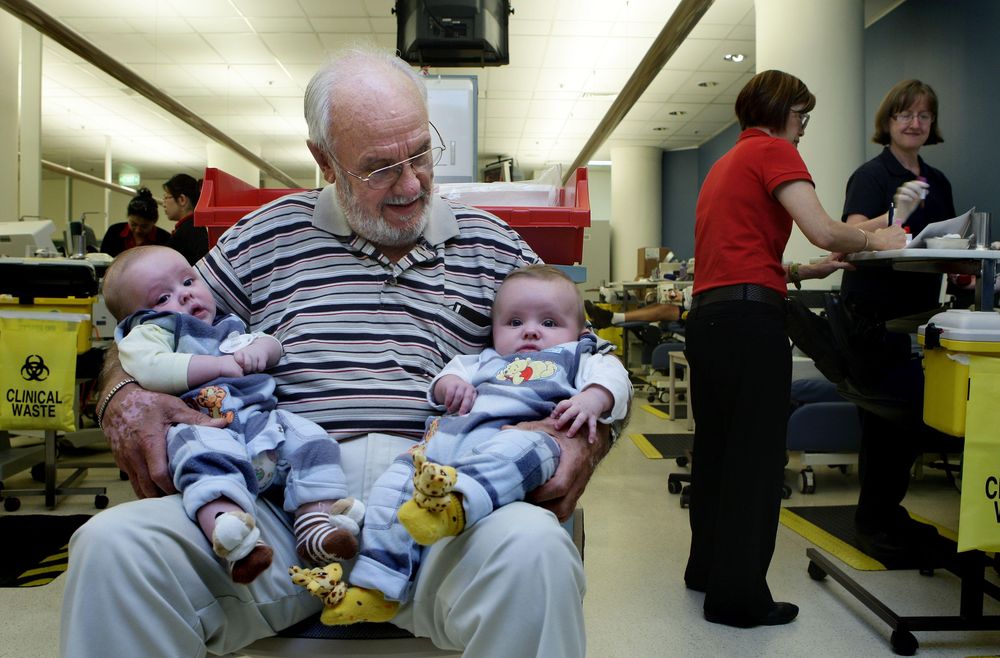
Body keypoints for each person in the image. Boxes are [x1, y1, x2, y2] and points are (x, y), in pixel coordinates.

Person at [62, 46, 603, 658]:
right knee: (113, 548)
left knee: (535, 550)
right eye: (379, 168)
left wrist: (587, 437)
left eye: (420, 153)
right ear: (324, 160)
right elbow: (150, 329)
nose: (411, 183)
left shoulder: (493, 246)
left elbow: (590, 357)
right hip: (281, 503)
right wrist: (122, 394)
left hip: (441, 505)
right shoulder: (264, 236)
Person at [683, 69, 906, 629]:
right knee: (757, 459)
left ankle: (706, 570)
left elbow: (744, 255)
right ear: (780, 111)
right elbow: (824, 229)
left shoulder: (725, 164)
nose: (804, 126)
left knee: (717, 451)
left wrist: (806, 271)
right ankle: (738, 599)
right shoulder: (774, 150)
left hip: (710, 319)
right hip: (748, 324)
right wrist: (874, 238)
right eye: (801, 114)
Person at [309, 264, 631, 624]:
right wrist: (451, 387)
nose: (530, 331)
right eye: (514, 322)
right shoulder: (481, 361)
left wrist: (592, 399)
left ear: (582, 333)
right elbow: (445, 379)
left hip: (524, 437)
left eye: (549, 323)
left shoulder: (579, 356)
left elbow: (615, 379)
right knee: (392, 489)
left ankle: (455, 507)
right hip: (444, 447)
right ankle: (376, 589)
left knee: (514, 453)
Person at [101, 245, 365, 583]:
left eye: (187, 281)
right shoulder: (153, 331)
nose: (184, 295)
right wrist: (217, 365)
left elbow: (270, 342)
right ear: (135, 317)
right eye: (162, 298)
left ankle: (316, 523)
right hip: (206, 425)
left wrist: (262, 350)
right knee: (204, 464)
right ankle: (233, 537)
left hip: (262, 422)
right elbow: (151, 368)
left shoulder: (224, 323)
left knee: (312, 440)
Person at [840, 80, 956, 557]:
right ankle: (873, 521)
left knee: (909, 424)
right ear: (887, 122)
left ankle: (887, 512)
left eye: (924, 116)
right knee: (885, 423)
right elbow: (849, 236)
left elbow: (946, 244)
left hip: (921, 318)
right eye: (905, 114)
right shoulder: (872, 175)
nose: (915, 123)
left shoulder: (939, 182)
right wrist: (896, 212)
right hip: (875, 319)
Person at [99, 187, 171, 257]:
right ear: (128, 217)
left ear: (154, 221)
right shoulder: (114, 232)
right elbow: (103, 260)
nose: (138, 230)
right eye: (133, 224)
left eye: (144, 226)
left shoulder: (164, 239)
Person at [163, 173, 209, 265]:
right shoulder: (197, 227)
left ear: (182, 200)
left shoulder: (187, 232)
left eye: (166, 197)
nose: (164, 204)